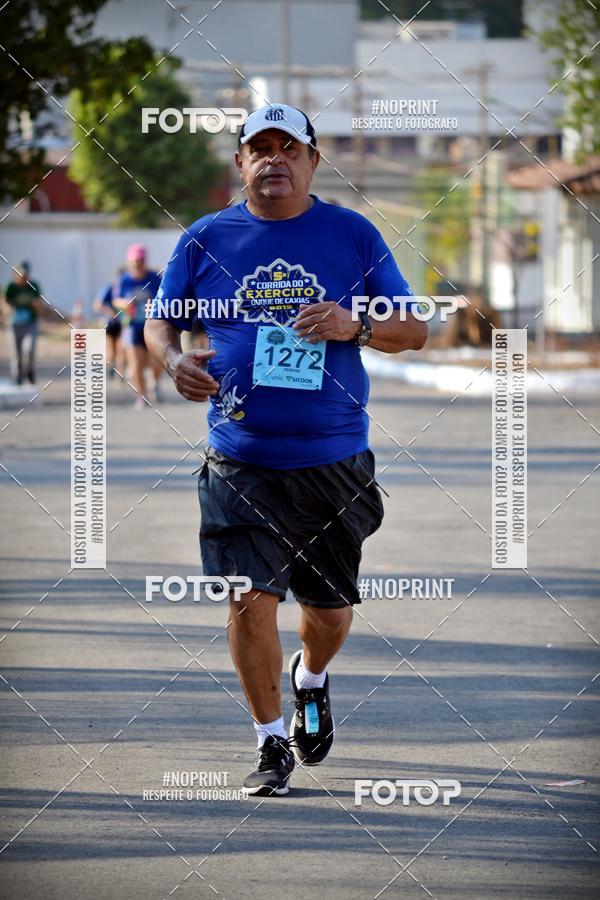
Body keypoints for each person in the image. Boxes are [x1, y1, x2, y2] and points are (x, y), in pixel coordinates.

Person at [145, 104, 427, 796]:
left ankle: (312, 677)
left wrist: (353, 323)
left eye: (288, 147)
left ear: (312, 162)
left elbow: (416, 329)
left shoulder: (351, 234)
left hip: (332, 461)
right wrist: (170, 360)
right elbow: (160, 319)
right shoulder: (206, 238)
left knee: (327, 615)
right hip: (239, 459)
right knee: (249, 599)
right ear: (240, 163)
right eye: (258, 149)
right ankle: (271, 743)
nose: (274, 159)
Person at [113, 245, 163, 407]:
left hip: (152, 326)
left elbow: (164, 297)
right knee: (136, 364)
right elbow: (116, 300)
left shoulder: (154, 278)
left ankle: (154, 384)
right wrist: (124, 304)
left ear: (145, 260)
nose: (138, 264)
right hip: (132, 326)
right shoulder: (124, 280)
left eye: (140, 261)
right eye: (135, 261)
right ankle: (142, 395)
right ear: (129, 262)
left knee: (156, 362)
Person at [4, 261, 41, 385]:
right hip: (14, 323)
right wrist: (8, 309)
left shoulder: (34, 285)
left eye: (25, 276)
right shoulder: (11, 286)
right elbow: (5, 302)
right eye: (21, 276)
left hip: (30, 322)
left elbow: (39, 302)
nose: (23, 278)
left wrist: (37, 305)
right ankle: (18, 376)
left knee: (29, 349)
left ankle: (30, 371)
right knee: (16, 352)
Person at [94, 268, 126, 378]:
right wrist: (109, 311)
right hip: (110, 322)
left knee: (121, 348)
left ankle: (120, 372)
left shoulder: (127, 289)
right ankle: (111, 366)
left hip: (124, 323)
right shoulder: (109, 288)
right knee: (112, 348)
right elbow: (97, 305)